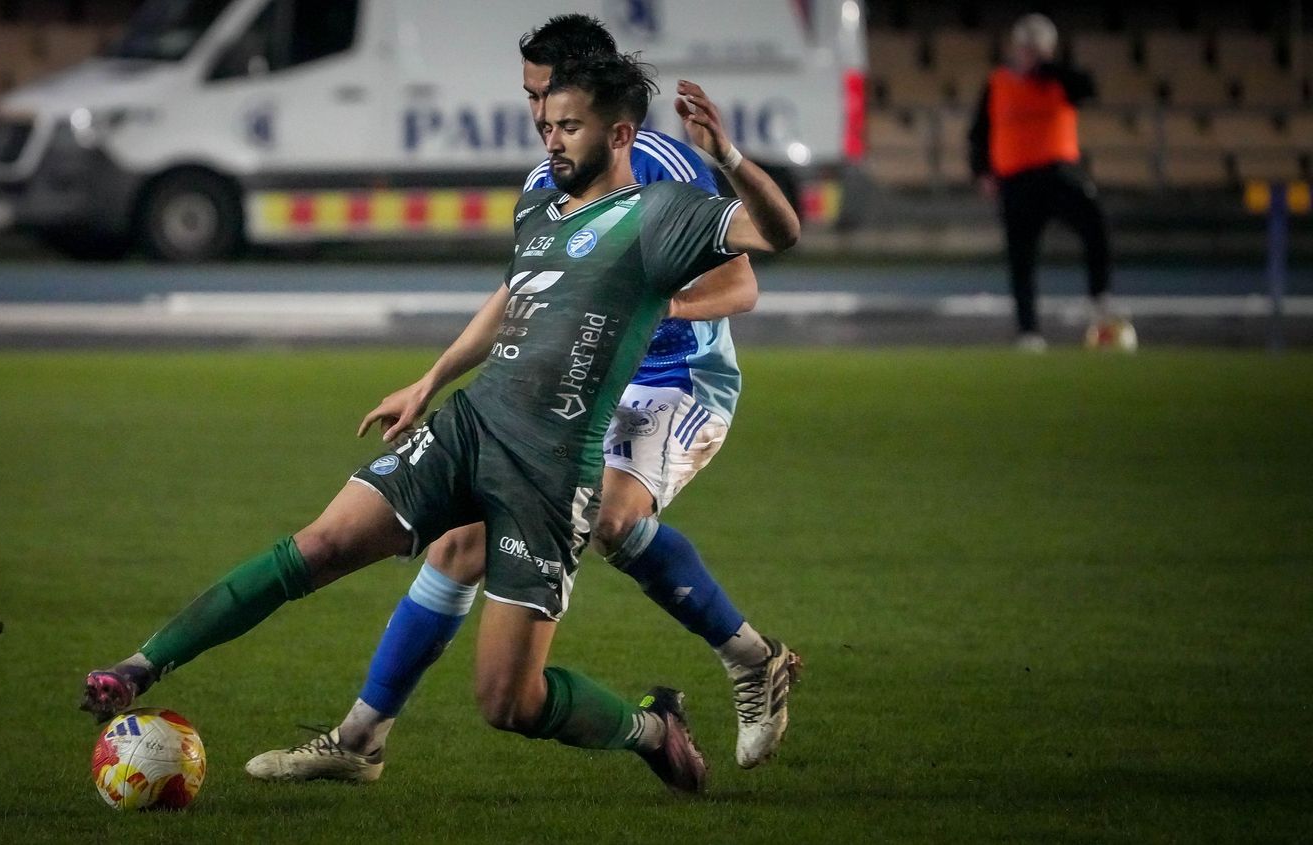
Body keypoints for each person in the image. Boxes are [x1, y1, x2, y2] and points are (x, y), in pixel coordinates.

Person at [80, 51, 800, 793]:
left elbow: (768, 246)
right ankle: (143, 669)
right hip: (474, 426)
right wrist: (433, 378)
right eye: (538, 112)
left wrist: (722, 168)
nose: (543, 132)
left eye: (562, 119)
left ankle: (673, 711)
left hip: (597, 436)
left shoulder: (661, 203)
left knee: (510, 696)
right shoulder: (540, 199)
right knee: (329, 542)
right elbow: (523, 291)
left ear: (614, 131)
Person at [967, 13, 1129, 351]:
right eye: (1025, 47)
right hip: (1015, 179)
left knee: (1094, 223)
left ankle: (1099, 297)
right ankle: (1029, 332)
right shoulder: (998, 81)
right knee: (1020, 256)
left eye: (1035, 48)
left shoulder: (1059, 80)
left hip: (1057, 173)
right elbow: (979, 132)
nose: (1028, 54)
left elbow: (1088, 88)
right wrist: (982, 171)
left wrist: (1047, 70)